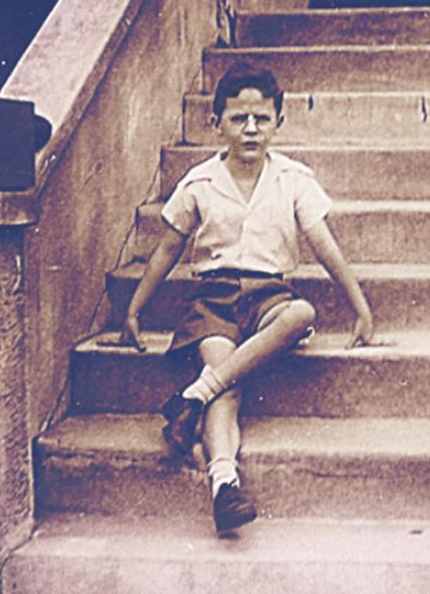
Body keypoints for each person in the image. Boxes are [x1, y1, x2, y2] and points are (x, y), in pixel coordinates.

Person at [119, 63, 375, 534]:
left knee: (301, 313)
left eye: (262, 118)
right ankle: (224, 485)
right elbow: (168, 249)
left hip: (268, 296)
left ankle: (193, 396)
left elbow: (324, 246)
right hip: (212, 300)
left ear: (278, 121)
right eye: (239, 119)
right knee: (228, 380)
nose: (251, 129)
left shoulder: (293, 179)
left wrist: (360, 308)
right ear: (216, 122)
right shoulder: (199, 182)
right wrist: (134, 310)